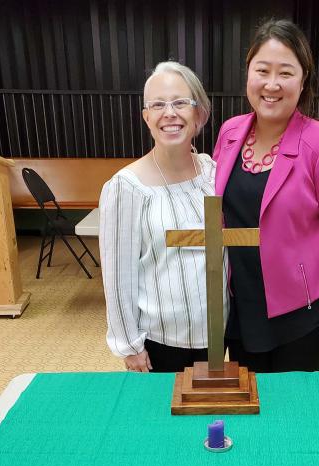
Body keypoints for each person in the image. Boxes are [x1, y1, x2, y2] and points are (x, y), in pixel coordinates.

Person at [213, 19, 319, 373]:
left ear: (303, 79)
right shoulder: (230, 132)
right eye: (262, 70)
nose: (272, 84)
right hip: (239, 307)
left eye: (286, 73)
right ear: (248, 73)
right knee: (251, 408)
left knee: (298, 413)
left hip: (301, 313)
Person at [99, 61, 228, 373]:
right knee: (163, 419)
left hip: (217, 333)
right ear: (146, 116)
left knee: (208, 415)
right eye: (157, 104)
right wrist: (129, 345)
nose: (169, 113)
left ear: (199, 113)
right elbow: (118, 278)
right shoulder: (127, 188)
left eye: (181, 102)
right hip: (161, 343)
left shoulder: (215, 174)